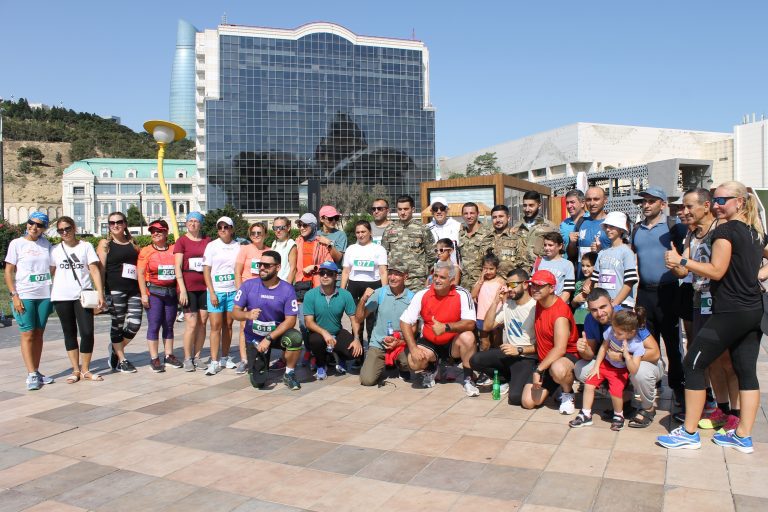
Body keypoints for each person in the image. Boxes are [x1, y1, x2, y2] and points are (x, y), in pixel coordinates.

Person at [659, 181, 768, 453]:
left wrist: (682, 261)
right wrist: (757, 276)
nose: (717, 205)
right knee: (746, 371)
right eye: (715, 200)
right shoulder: (754, 231)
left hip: (730, 311)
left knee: (693, 364)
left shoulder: (726, 230)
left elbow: (716, 270)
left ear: (739, 202)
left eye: (722, 200)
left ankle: (689, 433)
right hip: (753, 310)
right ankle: (742, 436)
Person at [671, 189, 739, 430]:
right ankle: (721, 409)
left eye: (689, 206)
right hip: (699, 301)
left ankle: (736, 414)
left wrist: (758, 275)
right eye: (683, 207)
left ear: (706, 205)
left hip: (723, 303)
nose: (684, 211)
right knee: (711, 361)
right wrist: (674, 263)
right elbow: (684, 270)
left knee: (727, 360)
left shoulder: (724, 229)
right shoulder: (692, 234)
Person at [574, 288, 663, 428]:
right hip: (613, 364)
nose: (599, 313)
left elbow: (655, 353)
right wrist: (583, 350)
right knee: (581, 368)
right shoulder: (590, 319)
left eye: (603, 307)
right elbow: (590, 354)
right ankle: (623, 401)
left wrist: (623, 357)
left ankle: (648, 408)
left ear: (612, 302)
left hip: (641, 362)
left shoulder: (626, 317)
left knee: (641, 373)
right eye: (594, 310)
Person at [631, 186, 686, 405]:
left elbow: (686, 256)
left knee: (673, 344)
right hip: (644, 293)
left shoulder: (674, 227)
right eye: (644, 201)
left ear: (662, 204)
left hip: (669, 293)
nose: (646, 205)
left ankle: (678, 386)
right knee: (646, 343)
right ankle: (653, 384)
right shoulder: (637, 229)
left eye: (651, 201)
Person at [400, 261, 478, 396]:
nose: (436, 280)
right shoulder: (422, 294)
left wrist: (446, 327)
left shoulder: (463, 294)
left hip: (453, 343)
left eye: (442, 277)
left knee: (469, 337)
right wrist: (413, 348)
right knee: (413, 362)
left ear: (452, 280)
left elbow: (470, 323)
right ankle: (431, 368)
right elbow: (404, 321)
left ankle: (468, 379)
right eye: (435, 276)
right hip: (430, 341)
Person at [232, 250, 302, 390]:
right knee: (258, 383)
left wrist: (269, 338)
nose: (262, 268)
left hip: (275, 336)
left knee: (295, 337)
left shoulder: (287, 289)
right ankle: (259, 363)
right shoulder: (248, 285)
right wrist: (247, 315)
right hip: (254, 338)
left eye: (267, 265)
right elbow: (234, 313)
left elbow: (291, 321)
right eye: (260, 264)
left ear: (278, 267)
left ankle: (289, 373)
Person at [570, 308, 648, 431]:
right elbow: (603, 347)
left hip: (620, 371)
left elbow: (634, 370)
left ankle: (618, 415)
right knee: (589, 384)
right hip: (605, 364)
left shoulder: (637, 345)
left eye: (619, 333)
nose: (615, 335)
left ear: (631, 332)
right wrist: (596, 366)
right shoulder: (612, 330)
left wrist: (626, 356)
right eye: (614, 331)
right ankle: (585, 414)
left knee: (615, 392)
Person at [469, 268, 538, 405]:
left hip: (526, 357)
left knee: (516, 398)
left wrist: (518, 350)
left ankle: (523, 378)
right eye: (507, 285)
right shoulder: (508, 305)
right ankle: (504, 378)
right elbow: (487, 327)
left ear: (525, 285)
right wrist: (495, 301)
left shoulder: (535, 307)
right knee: (475, 360)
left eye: (513, 285)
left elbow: (542, 346)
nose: (509, 289)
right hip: (509, 354)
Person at [50, 216, 106, 383]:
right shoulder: (55, 250)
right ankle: (75, 369)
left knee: (87, 332)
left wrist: (100, 293)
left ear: (74, 228)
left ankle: (85, 369)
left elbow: (94, 270)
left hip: (83, 296)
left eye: (67, 228)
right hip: (61, 296)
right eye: (60, 230)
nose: (64, 232)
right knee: (69, 332)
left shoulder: (85, 246)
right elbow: (50, 272)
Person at [5, 212, 55, 390]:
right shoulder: (16, 244)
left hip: (44, 295)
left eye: (39, 225)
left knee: (39, 334)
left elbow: (52, 266)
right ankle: (31, 374)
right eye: (31, 223)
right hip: (24, 294)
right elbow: (8, 271)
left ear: (44, 228)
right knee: (27, 333)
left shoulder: (46, 244)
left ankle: (36, 370)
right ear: (27, 224)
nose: (34, 227)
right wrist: (14, 295)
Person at [520, 270, 580, 413]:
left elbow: (560, 349)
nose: (535, 289)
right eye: (533, 285)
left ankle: (567, 393)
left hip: (565, 357)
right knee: (528, 402)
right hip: (546, 359)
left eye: (540, 286)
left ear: (552, 288)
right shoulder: (539, 302)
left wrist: (538, 370)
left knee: (558, 369)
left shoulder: (560, 313)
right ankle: (556, 386)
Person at [356, 262, 414, 386]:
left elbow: (414, 328)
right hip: (379, 343)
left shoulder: (411, 298)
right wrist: (363, 299)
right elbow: (359, 319)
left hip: (400, 343)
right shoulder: (379, 293)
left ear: (406, 277)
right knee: (367, 380)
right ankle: (383, 363)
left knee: (412, 362)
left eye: (397, 274)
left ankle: (402, 367)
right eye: (390, 274)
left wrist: (400, 342)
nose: (392, 278)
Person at [303, 261, 362, 381]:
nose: (325, 276)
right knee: (315, 341)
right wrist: (324, 333)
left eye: (329, 273)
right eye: (322, 273)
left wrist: (357, 339)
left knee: (356, 352)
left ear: (336, 276)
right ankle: (321, 364)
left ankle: (340, 357)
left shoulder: (345, 295)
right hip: (318, 334)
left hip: (337, 332)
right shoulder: (310, 294)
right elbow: (308, 322)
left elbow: (354, 319)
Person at [97, 211, 140, 373]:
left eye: (119, 222)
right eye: (112, 223)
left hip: (134, 289)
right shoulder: (105, 244)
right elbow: (100, 270)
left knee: (135, 324)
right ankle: (122, 359)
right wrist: (100, 292)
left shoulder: (133, 243)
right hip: (114, 289)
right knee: (118, 324)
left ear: (125, 224)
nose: (115, 225)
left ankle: (115, 348)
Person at [137, 219, 181, 372]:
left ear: (166, 232)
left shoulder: (174, 249)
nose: (155, 233)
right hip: (154, 293)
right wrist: (143, 294)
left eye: (159, 231)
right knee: (154, 324)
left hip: (171, 293)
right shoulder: (146, 251)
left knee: (169, 325)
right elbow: (140, 274)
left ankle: (169, 355)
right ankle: (154, 358)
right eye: (153, 231)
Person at [202, 216, 241, 375]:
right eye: (220, 227)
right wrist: (211, 292)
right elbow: (206, 270)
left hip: (232, 291)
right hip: (216, 291)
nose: (223, 230)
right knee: (215, 326)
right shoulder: (212, 246)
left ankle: (225, 357)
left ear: (232, 229)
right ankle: (214, 361)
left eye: (226, 227)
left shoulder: (238, 246)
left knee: (229, 325)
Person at [174, 212, 210, 372]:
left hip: (204, 287)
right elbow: (177, 266)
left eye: (196, 221)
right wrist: (182, 289)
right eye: (190, 221)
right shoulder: (182, 241)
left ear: (200, 224)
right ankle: (187, 357)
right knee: (191, 323)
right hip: (188, 288)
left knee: (203, 322)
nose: (193, 224)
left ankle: (197, 356)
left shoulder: (207, 241)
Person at [341, 220, 388, 345]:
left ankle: (373, 350)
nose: (360, 235)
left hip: (373, 286)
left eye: (363, 232)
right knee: (356, 321)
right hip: (354, 287)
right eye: (358, 232)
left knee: (372, 322)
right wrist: (342, 290)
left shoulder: (379, 249)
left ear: (370, 232)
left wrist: (385, 291)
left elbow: (383, 272)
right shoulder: (351, 249)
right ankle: (358, 351)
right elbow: (346, 271)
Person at [234, 222, 269, 374]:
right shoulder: (245, 249)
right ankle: (244, 360)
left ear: (265, 234)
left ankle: (260, 355)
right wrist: (240, 291)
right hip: (247, 292)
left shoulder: (269, 251)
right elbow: (237, 271)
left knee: (261, 324)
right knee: (244, 326)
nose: (256, 235)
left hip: (263, 292)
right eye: (253, 233)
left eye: (259, 233)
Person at [381, 195, 435, 291]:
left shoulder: (422, 228)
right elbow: (383, 254)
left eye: (406, 209)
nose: (402, 212)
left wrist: (423, 270)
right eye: (400, 209)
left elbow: (431, 254)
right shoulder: (389, 229)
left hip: (416, 280)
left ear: (412, 209)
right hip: (395, 279)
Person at [591, 211, 637, 307]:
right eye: (606, 226)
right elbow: (596, 281)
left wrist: (615, 303)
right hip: (603, 307)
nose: (608, 229)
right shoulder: (602, 253)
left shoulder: (627, 252)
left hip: (622, 305)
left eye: (612, 226)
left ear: (621, 229)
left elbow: (629, 282)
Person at [512, 191, 558, 269]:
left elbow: (559, 253)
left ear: (539, 205)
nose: (527, 209)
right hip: (520, 271)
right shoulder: (517, 227)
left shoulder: (550, 227)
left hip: (542, 270)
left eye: (531, 205)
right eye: (525, 205)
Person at [573, 186, 611, 277]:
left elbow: (620, 253)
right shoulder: (581, 222)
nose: (592, 203)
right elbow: (573, 254)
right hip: (582, 279)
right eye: (588, 200)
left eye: (596, 199)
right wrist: (571, 243)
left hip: (604, 279)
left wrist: (601, 250)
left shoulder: (611, 223)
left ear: (605, 200)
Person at [471, 252, 505, 351]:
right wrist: (480, 281)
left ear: (496, 269)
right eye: (485, 268)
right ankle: (484, 359)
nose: (488, 271)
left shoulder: (500, 281)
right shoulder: (481, 281)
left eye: (491, 269)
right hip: (481, 316)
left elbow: (504, 299)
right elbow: (473, 295)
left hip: (496, 316)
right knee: (484, 343)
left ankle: (497, 359)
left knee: (497, 341)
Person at [458, 201, 493, 290]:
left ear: (478, 214)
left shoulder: (488, 233)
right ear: (462, 215)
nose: (469, 216)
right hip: (464, 284)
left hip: (482, 283)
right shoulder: (461, 234)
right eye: (466, 213)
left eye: (472, 213)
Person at [534, 232, 575, 303]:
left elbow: (567, 291)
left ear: (560, 246)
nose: (547, 248)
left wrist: (556, 306)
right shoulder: (539, 261)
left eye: (550, 245)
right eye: (545, 245)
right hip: (540, 304)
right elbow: (533, 285)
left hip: (558, 304)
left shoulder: (567, 264)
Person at [490, 204, 528, 276]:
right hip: (489, 282)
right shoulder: (487, 239)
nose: (497, 220)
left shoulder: (517, 238)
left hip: (509, 281)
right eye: (494, 217)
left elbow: (525, 265)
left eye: (501, 216)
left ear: (508, 218)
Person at [426, 196, 461, 264]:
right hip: (435, 269)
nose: (439, 211)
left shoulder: (458, 226)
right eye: (435, 209)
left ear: (447, 210)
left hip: (454, 269)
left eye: (442, 208)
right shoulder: (426, 229)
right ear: (431, 211)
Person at [570, 251, 598, 333]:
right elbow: (573, 305)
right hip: (577, 321)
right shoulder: (579, 283)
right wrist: (575, 300)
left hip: (591, 321)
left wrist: (590, 293)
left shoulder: (598, 283)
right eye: (583, 265)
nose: (585, 269)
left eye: (588, 266)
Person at [561, 189, 588, 264]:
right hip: (569, 266)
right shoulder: (564, 224)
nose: (569, 206)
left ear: (582, 203)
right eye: (567, 203)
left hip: (587, 267)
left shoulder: (591, 220)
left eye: (572, 202)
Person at [271, 216, 297, 283]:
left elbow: (293, 269)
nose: (278, 230)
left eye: (281, 227)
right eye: (275, 228)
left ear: (288, 228)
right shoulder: (274, 243)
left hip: (283, 283)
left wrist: (287, 286)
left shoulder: (291, 244)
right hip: (272, 283)